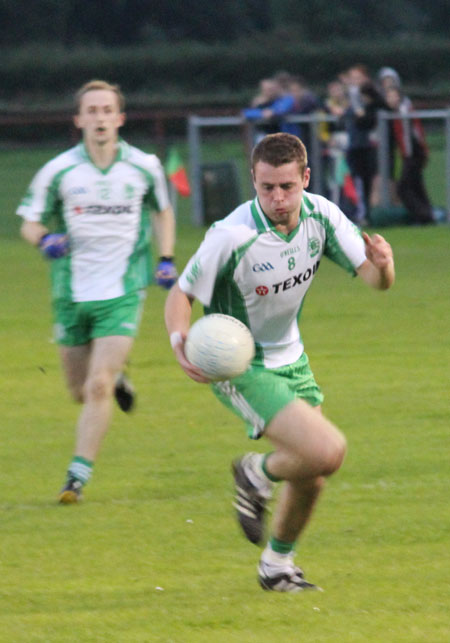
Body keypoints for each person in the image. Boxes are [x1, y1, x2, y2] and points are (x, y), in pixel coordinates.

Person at [164, 133, 394, 592]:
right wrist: (178, 338)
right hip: (238, 364)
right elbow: (180, 294)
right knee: (326, 451)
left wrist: (384, 265)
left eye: (287, 186)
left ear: (305, 178)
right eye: (267, 187)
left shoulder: (320, 215)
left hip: (293, 357)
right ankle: (255, 472)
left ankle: (277, 566)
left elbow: (374, 280)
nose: (277, 197)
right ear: (254, 179)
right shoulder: (232, 235)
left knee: (313, 476)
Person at [17, 80, 177, 503]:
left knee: (98, 386)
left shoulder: (144, 166)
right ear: (79, 119)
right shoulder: (59, 171)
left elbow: (162, 210)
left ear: (120, 118)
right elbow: (28, 222)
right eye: (92, 111)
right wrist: (44, 240)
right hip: (70, 292)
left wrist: (165, 258)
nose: (100, 118)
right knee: (78, 390)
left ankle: (76, 478)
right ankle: (120, 372)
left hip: (123, 289)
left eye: (108, 110)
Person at [384, 86, 434, 225]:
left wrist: (418, 152)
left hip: (413, 154)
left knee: (403, 188)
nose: (390, 99)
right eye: (388, 97)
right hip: (410, 154)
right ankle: (428, 215)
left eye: (393, 96)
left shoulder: (404, 111)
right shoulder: (398, 111)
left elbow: (414, 134)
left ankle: (422, 215)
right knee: (417, 186)